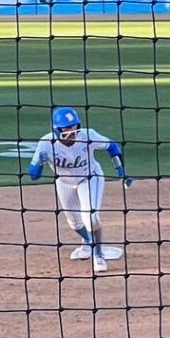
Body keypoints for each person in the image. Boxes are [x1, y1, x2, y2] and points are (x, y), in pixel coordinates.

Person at [27, 107, 133, 274]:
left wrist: (121, 170)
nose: (72, 131)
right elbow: (33, 176)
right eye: (67, 128)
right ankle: (88, 242)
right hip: (64, 182)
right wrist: (40, 163)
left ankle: (98, 255)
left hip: (90, 177)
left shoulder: (87, 135)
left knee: (91, 217)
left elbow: (112, 146)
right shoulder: (46, 143)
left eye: (74, 126)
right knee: (74, 222)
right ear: (57, 129)